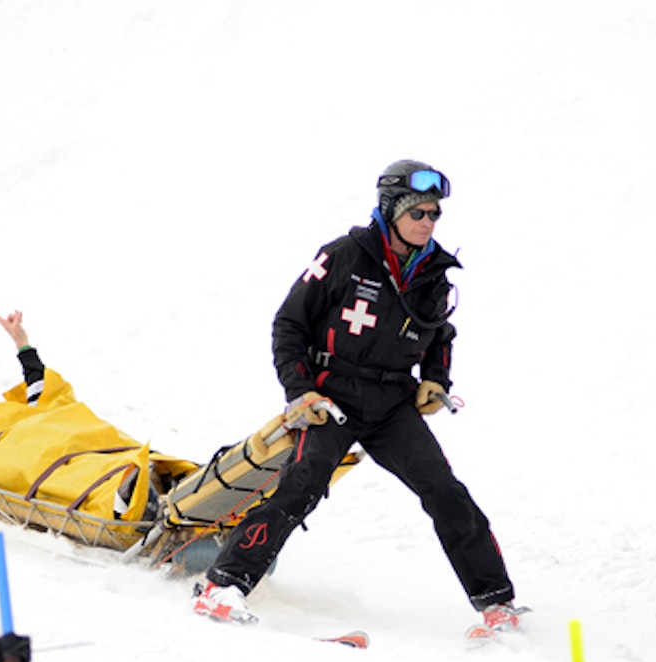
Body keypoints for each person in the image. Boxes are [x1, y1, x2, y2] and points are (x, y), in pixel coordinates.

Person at [193, 159, 523, 636]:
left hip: (392, 403)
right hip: (331, 397)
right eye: (418, 213)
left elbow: (440, 333)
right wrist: (300, 391)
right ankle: (222, 586)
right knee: (300, 486)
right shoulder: (343, 256)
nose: (428, 222)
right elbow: (289, 324)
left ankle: (497, 606)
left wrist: (436, 378)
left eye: (434, 214)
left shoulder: (433, 272)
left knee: (445, 491)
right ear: (392, 211)